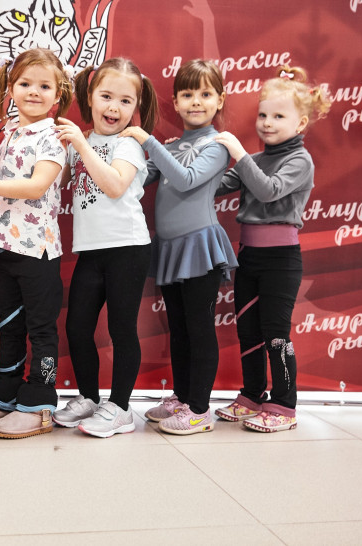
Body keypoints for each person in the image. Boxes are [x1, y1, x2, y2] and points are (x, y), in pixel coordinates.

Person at [0, 48, 73, 439]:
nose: (33, 92)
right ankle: (5, 393)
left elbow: (37, 186)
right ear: (10, 89)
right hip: (4, 244)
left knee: (40, 328)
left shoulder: (53, 138)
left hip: (37, 250)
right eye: (25, 83)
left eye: (44, 86)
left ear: (58, 95)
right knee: (9, 324)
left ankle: (39, 402)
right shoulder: (12, 131)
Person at [120, 59, 238, 435]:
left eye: (205, 94)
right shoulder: (175, 145)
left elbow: (186, 179)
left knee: (199, 328)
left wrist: (149, 142)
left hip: (200, 245)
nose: (196, 101)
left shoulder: (217, 145)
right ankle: (183, 397)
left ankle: (199, 409)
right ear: (175, 101)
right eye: (187, 94)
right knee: (180, 328)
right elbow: (140, 177)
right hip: (170, 247)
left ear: (220, 100)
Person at [213, 65, 331, 432]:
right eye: (263, 115)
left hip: (281, 261)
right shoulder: (256, 159)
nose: (267, 123)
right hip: (248, 257)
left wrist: (238, 153)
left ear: (301, 123)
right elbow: (216, 186)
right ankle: (252, 395)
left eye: (278, 116)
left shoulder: (300, 160)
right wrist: (189, 159)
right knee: (248, 332)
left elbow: (268, 190)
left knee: (276, 335)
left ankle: (284, 404)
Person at [51, 58, 159, 438]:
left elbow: (114, 185)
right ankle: (88, 398)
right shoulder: (82, 140)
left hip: (127, 248)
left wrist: (81, 145)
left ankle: (121, 408)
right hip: (91, 250)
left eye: (125, 101)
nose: (114, 107)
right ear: (90, 97)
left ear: (136, 107)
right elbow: (59, 180)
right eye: (106, 96)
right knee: (77, 326)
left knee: (121, 329)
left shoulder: (128, 144)